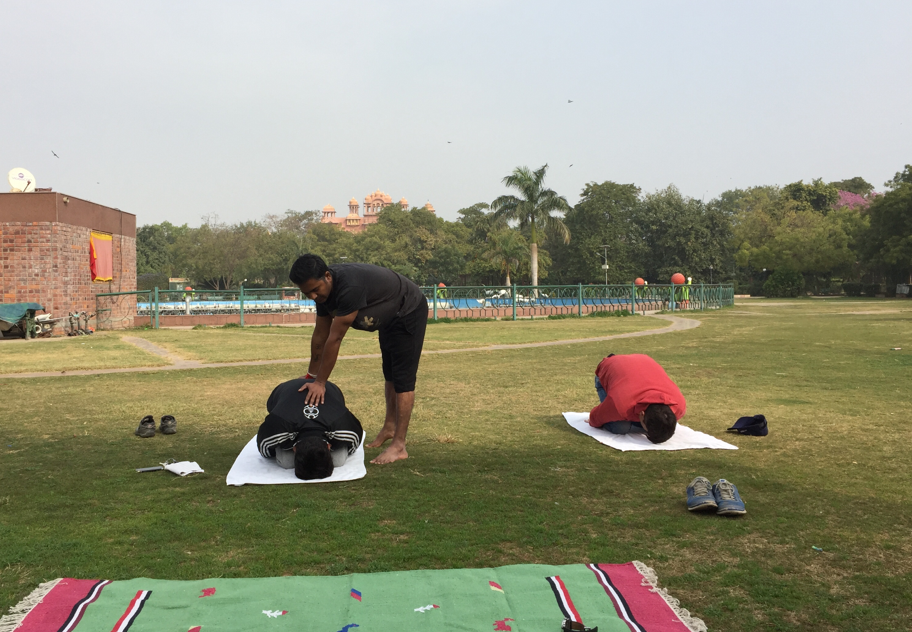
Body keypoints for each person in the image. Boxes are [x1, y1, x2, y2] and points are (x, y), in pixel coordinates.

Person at [289, 254, 429, 464]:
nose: (313, 296)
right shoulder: (322, 295)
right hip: (389, 318)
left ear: (327, 276)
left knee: (403, 380)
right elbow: (320, 335)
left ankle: (399, 445)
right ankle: (390, 427)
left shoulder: (348, 287)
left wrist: (320, 383)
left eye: (315, 289)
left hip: (408, 310)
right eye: (306, 292)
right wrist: (311, 375)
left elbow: (335, 338)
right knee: (389, 374)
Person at [257, 378, 363, 480]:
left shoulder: (341, 425)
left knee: (338, 460)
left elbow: (265, 450)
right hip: (285, 390)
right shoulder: (279, 424)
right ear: (329, 446)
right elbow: (265, 451)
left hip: (329, 390)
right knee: (287, 462)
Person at [589, 353, 685, 444]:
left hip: (644, 361)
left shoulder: (679, 406)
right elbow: (595, 418)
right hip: (609, 367)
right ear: (642, 415)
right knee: (620, 427)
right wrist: (593, 420)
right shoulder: (622, 405)